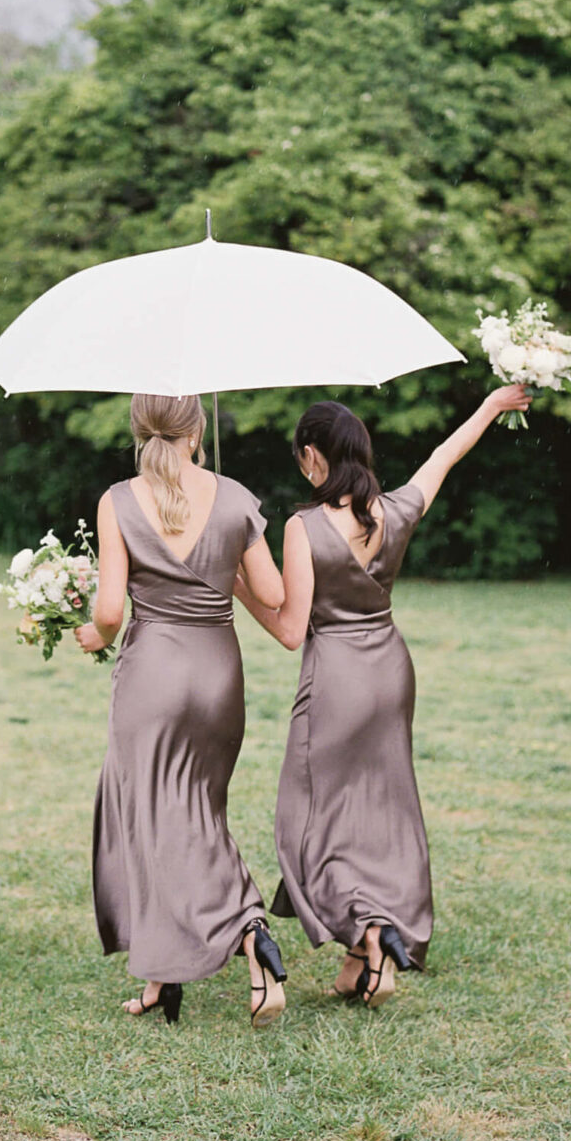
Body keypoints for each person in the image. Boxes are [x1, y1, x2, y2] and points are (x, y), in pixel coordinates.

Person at [239, 385, 531, 1003]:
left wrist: (239, 586)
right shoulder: (394, 510)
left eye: (301, 456)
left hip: (337, 679)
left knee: (308, 820)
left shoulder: (305, 526)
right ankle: (370, 949)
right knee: (380, 813)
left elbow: (292, 631)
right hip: (391, 670)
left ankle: (367, 928)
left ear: (314, 456)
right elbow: (444, 456)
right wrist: (489, 407)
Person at [76, 392, 291, 1026]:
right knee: (198, 812)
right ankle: (161, 975)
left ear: (140, 430)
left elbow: (111, 613)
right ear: (196, 431)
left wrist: (92, 634)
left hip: (153, 678)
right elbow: (275, 593)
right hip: (219, 674)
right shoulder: (234, 496)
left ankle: (250, 930)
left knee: (155, 819)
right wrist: (221, 561)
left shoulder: (117, 500)